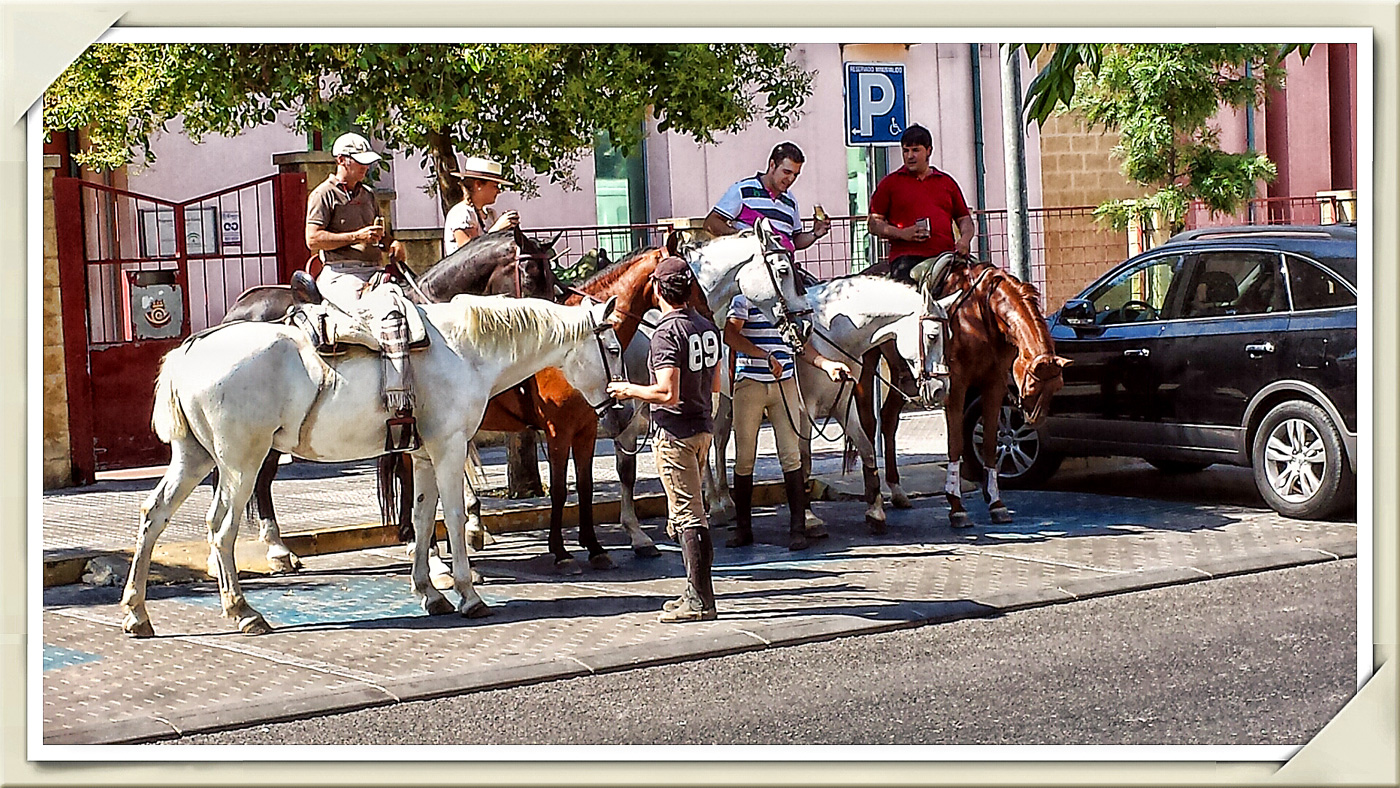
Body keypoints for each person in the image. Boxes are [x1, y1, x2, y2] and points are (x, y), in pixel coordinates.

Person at [606, 257, 723, 623]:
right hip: (703, 426)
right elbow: (718, 384)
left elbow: (667, 393)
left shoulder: (665, 333)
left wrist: (629, 390)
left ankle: (700, 600)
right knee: (692, 513)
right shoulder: (706, 326)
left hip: (675, 432)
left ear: (657, 290)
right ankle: (695, 591)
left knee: (689, 518)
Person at [723, 289, 852, 552]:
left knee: (791, 454)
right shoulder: (744, 300)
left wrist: (827, 365)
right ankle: (743, 528)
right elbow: (730, 335)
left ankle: (797, 528)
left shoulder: (788, 306)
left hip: (785, 384)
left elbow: (800, 346)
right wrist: (764, 356)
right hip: (750, 383)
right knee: (745, 457)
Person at [305, 132, 406, 308]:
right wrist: (356, 237)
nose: (366, 166)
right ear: (341, 160)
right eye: (360, 161)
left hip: (375, 270)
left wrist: (393, 244)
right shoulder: (322, 194)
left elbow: (378, 236)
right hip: (341, 274)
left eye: (367, 162)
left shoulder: (368, 194)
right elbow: (313, 240)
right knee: (359, 313)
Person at [867, 124, 975, 285]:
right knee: (909, 298)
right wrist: (902, 233)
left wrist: (965, 240)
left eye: (915, 150)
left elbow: (964, 219)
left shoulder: (946, 182)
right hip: (907, 259)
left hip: (946, 257)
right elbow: (873, 224)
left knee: (980, 285)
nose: (910, 156)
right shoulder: (890, 184)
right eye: (906, 150)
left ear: (928, 151)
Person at [703, 141, 831, 252]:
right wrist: (741, 236)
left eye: (795, 175)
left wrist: (815, 233)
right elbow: (712, 222)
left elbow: (794, 241)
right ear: (772, 165)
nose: (791, 179)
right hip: (751, 267)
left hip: (783, 268)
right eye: (787, 172)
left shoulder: (790, 201)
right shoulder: (743, 190)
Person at [442, 155, 520, 255]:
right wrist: (497, 229)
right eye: (495, 186)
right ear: (478, 184)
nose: (498, 191)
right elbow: (469, 253)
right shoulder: (461, 213)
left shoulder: (490, 214)